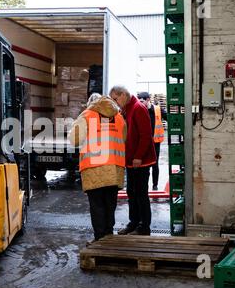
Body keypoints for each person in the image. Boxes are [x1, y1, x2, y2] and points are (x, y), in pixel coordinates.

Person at [69, 93, 127, 243]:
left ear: (91, 104)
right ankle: (109, 235)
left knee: (97, 206)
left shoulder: (87, 116)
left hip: (93, 167)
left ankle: (100, 238)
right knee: (110, 204)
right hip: (114, 168)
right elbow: (124, 138)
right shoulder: (119, 116)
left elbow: (74, 140)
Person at [109, 86, 156, 236]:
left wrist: (138, 156)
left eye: (116, 99)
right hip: (131, 160)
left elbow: (146, 135)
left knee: (141, 194)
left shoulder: (138, 108)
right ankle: (134, 222)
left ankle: (144, 227)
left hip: (140, 161)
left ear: (123, 95)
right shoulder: (127, 109)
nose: (116, 103)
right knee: (132, 192)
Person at [137, 92, 167, 191]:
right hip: (143, 142)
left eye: (142, 101)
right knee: (144, 164)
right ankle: (144, 186)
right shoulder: (138, 109)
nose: (140, 103)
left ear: (148, 100)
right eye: (139, 101)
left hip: (155, 142)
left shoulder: (158, 109)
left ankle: (155, 185)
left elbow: (169, 118)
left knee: (155, 164)